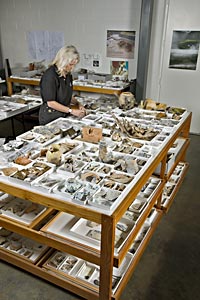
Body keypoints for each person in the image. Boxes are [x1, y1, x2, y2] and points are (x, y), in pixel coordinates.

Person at [39, 45, 86, 125]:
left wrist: (78, 103)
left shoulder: (67, 75)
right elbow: (51, 102)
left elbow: (66, 94)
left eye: (74, 65)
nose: (72, 68)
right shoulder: (50, 76)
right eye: (71, 64)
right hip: (51, 116)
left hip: (63, 114)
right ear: (63, 61)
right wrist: (71, 111)